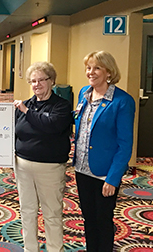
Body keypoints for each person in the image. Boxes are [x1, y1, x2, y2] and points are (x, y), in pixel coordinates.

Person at [73, 51, 135, 252]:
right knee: (88, 219)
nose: (91, 72)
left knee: (103, 220)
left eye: (97, 68)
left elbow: (125, 144)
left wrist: (113, 178)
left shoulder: (122, 101)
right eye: (88, 67)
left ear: (109, 71)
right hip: (82, 169)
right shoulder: (84, 92)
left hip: (104, 173)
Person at [14, 62, 72, 252]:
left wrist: (27, 112)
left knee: (52, 213)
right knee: (27, 211)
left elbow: (51, 126)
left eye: (41, 80)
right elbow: (14, 132)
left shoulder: (61, 106)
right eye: (33, 81)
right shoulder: (25, 105)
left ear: (52, 81)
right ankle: (30, 249)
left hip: (50, 168)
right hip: (22, 165)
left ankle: (55, 249)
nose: (36, 84)